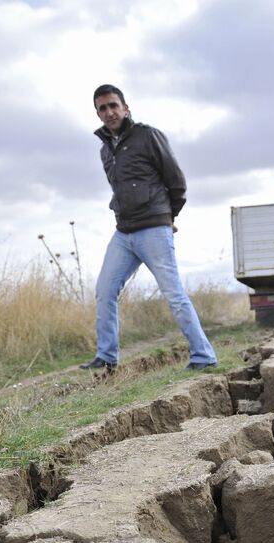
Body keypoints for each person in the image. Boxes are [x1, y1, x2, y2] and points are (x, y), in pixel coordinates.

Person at [80, 84, 218, 372]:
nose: (109, 112)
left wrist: (168, 218)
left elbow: (176, 181)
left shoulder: (147, 136)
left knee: (173, 295)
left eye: (113, 105)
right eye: (102, 108)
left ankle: (203, 356)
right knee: (105, 290)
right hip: (123, 232)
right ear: (97, 113)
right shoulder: (105, 150)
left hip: (154, 229)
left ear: (125, 107)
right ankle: (107, 356)